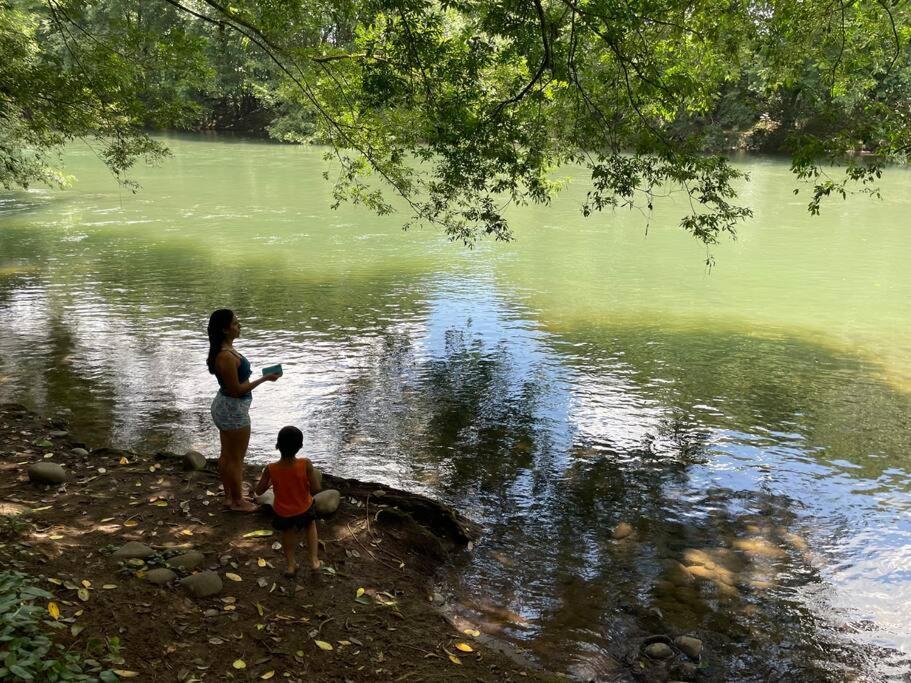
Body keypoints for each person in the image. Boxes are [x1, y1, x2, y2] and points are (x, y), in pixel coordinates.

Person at [207, 308, 279, 512]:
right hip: (233, 410)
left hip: (225, 407)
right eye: (236, 324)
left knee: (227, 455)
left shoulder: (225, 350)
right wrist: (265, 378)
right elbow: (236, 390)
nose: (240, 326)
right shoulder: (226, 357)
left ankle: (230, 496)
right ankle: (238, 501)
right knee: (236, 458)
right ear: (224, 329)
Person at [254, 425, 321, 576]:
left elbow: (259, 491)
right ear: (300, 446)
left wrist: (271, 482)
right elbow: (316, 489)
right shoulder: (305, 464)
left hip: (283, 511)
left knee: (288, 533)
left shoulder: (270, 468)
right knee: (310, 525)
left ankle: (291, 565)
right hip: (304, 506)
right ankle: (314, 561)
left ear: (277, 445)